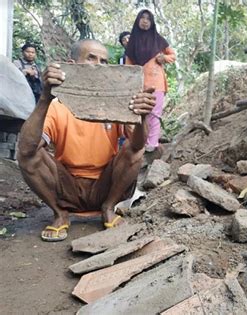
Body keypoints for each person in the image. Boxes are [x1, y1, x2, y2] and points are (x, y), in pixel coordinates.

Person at [17, 39, 156, 242]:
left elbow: (136, 145)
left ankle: (109, 207)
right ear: (71, 64)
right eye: (91, 58)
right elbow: (27, 148)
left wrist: (143, 116)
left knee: (136, 151)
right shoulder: (57, 106)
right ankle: (60, 213)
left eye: (104, 61)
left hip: (106, 186)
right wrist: (45, 98)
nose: (99, 65)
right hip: (66, 188)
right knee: (27, 156)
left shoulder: (115, 104)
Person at [125, 9, 176, 154]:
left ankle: (152, 144)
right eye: (142, 18)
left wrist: (164, 58)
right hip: (139, 83)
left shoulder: (158, 39)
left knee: (155, 113)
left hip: (157, 82)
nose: (145, 21)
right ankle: (140, 143)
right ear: (137, 20)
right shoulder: (132, 42)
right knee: (141, 114)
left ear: (152, 22)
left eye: (148, 19)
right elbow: (129, 66)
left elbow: (172, 55)